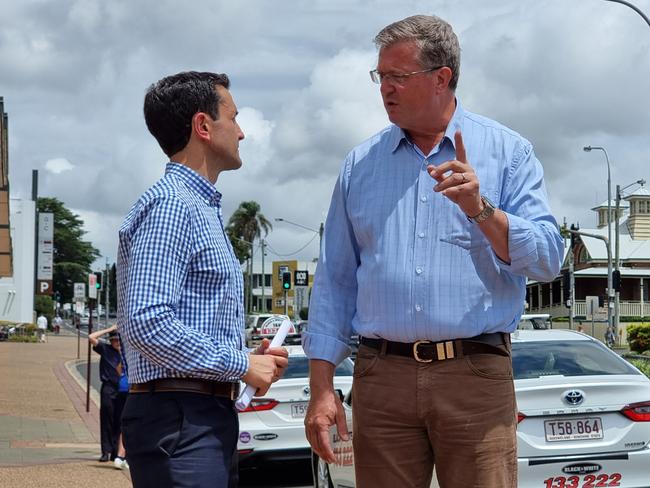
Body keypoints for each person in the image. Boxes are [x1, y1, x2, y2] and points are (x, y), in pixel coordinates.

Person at [303, 15, 563, 488]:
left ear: (442, 77)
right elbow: (335, 283)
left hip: (475, 377)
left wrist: (482, 210)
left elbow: (548, 259)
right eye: (380, 77)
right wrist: (321, 390)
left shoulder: (509, 152)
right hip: (382, 379)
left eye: (398, 77)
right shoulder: (359, 165)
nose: (385, 88)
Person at [117, 71, 289, 488]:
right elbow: (147, 322)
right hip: (180, 418)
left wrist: (247, 356)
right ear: (203, 126)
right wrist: (242, 363)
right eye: (234, 116)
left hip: (195, 416)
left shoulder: (197, 206)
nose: (243, 132)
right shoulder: (173, 205)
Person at [88, 324, 123, 462]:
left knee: (119, 421)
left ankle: (116, 452)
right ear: (111, 341)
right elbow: (91, 337)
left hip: (122, 389)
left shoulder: (126, 353)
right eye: (114, 340)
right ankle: (105, 451)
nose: (117, 342)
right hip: (108, 388)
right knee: (106, 419)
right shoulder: (105, 349)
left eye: (119, 340)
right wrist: (110, 329)